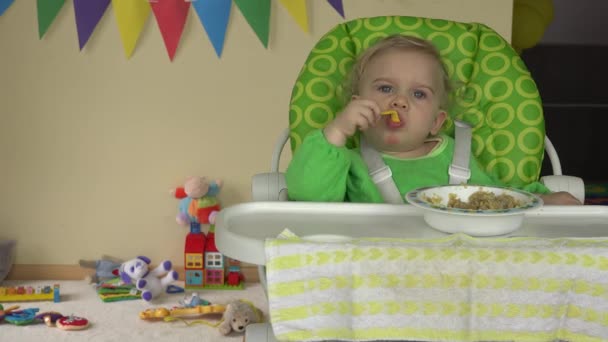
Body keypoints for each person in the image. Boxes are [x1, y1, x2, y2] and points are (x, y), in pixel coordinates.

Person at [285, 34, 581, 205]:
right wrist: (337, 130)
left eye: (418, 94)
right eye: (385, 88)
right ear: (356, 107)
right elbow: (306, 197)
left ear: (436, 122)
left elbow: (495, 201)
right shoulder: (346, 163)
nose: (399, 100)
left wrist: (543, 202)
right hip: (377, 275)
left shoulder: (457, 158)